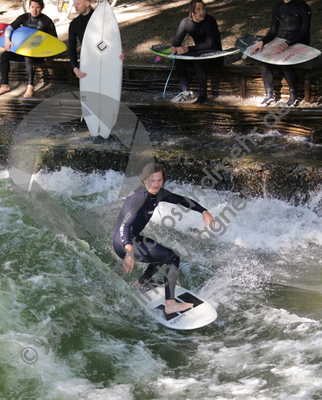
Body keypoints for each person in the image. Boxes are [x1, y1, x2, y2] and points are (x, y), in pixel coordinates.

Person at [113, 163, 215, 315]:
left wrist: (203, 211)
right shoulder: (135, 198)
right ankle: (170, 304)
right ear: (144, 180)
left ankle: (139, 284)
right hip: (123, 243)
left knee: (162, 254)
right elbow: (124, 226)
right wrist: (128, 249)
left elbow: (181, 200)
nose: (156, 184)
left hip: (134, 239)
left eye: (159, 180)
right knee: (173, 257)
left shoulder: (159, 193)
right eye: (152, 180)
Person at [251, 0, 311, 107]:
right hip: (287, 41)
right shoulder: (278, 7)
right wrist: (262, 42)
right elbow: (273, 31)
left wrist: (287, 43)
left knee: (284, 60)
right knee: (264, 59)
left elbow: (304, 31)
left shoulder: (302, 7)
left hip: (301, 42)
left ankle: (294, 97)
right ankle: (269, 96)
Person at [0, 0, 57, 98]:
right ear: (29, 7)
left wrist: (50, 55)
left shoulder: (47, 21)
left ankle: (30, 87)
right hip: (25, 51)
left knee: (28, 55)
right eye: (32, 7)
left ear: (42, 8)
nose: (34, 10)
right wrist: (7, 40)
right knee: (4, 55)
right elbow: (9, 28)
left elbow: (55, 40)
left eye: (37, 7)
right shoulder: (25, 17)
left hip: (39, 53)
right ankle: (5, 84)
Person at [170, 0, 223, 104]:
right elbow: (176, 42)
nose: (202, 12)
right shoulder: (185, 23)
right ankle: (186, 94)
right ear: (192, 12)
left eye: (203, 9)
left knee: (198, 63)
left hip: (214, 55)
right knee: (179, 60)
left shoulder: (210, 21)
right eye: (198, 10)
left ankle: (203, 97)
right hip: (198, 54)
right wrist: (174, 48)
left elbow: (209, 44)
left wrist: (188, 49)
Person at [69, 0, 124, 79]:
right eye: (74, 4)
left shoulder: (103, 18)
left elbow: (114, 38)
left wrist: (119, 52)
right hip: (88, 62)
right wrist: (75, 68)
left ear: (87, 3)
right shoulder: (74, 24)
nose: (75, 7)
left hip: (106, 59)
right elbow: (72, 48)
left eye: (78, 4)